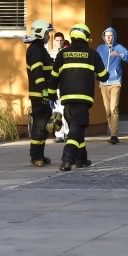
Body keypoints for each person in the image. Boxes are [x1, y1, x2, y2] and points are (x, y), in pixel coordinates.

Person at [48, 23, 109, 171]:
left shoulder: (62, 54)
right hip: (83, 99)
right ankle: (67, 159)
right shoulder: (92, 54)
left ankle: (81, 159)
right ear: (86, 37)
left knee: (77, 129)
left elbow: (54, 77)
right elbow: (103, 76)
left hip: (66, 100)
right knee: (76, 130)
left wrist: (51, 95)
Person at [23, 20, 55, 167]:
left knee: (43, 126)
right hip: (39, 94)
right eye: (47, 33)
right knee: (39, 125)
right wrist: (44, 91)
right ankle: (36, 157)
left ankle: (38, 154)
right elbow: (37, 73)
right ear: (40, 33)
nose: (49, 36)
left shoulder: (40, 49)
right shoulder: (35, 50)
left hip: (44, 93)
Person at [97, 27, 128, 144]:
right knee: (108, 111)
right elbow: (94, 62)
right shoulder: (100, 48)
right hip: (103, 83)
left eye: (111, 36)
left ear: (114, 36)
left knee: (113, 108)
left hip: (115, 82)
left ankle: (114, 135)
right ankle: (112, 132)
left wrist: (120, 55)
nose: (108, 38)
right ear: (104, 37)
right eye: (106, 36)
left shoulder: (119, 47)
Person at [47, 32, 70, 143]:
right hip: (55, 85)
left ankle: (67, 133)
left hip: (65, 85)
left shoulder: (67, 52)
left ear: (64, 41)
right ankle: (59, 134)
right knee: (56, 111)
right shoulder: (50, 54)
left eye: (61, 40)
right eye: (57, 41)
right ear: (54, 41)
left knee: (65, 110)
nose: (59, 42)